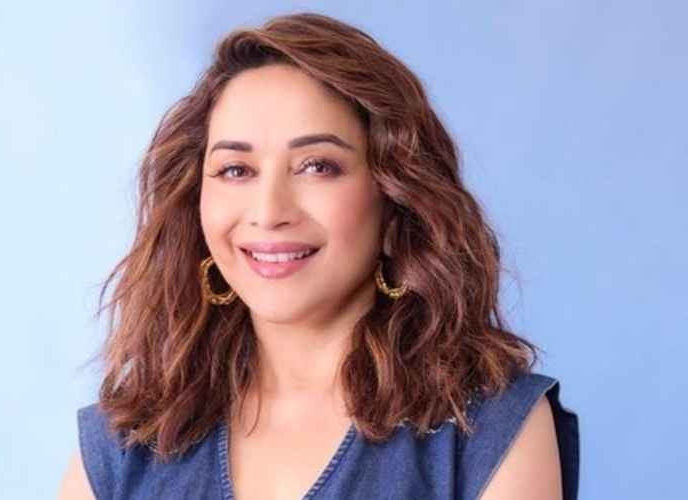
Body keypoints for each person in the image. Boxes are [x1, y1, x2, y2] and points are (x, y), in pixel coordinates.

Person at [59, 12, 579, 500]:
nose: (269, 212)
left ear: (395, 199)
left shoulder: (488, 429)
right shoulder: (121, 443)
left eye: (317, 166)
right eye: (236, 170)